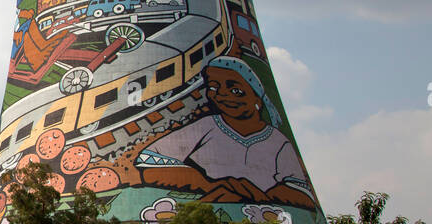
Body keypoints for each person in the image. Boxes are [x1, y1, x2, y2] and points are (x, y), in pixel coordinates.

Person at [136, 55, 317, 208]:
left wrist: (263, 196)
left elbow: (301, 191)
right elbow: (149, 162)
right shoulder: (206, 127)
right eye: (214, 87)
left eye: (235, 90)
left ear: (257, 99)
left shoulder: (277, 142)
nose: (222, 95)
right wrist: (208, 185)